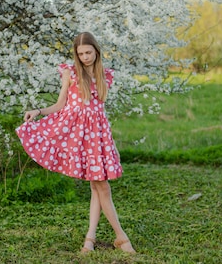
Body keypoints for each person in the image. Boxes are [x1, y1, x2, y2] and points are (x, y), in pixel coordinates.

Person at [15, 32, 136, 254]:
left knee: (98, 187)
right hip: (76, 135)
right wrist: (38, 111)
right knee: (100, 186)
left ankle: (90, 240)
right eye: (80, 54)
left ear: (96, 51)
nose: (84, 57)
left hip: (98, 136)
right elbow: (60, 104)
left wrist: (111, 144)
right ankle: (121, 237)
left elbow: (100, 112)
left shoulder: (105, 76)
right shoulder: (70, 73)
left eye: (88, 52)